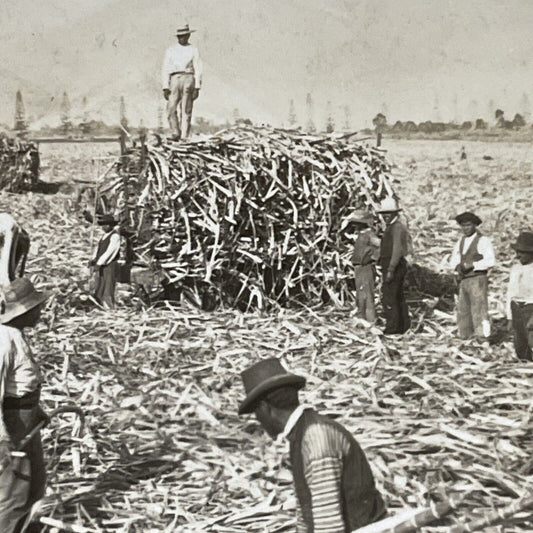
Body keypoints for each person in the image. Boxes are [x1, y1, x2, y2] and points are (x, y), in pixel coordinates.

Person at [238, 358, 386, 532]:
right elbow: (306, 511)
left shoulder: (316, 438)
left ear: (265, 408)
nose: (258, 421)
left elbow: (329, 524)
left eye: (256, 413)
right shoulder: (300, 436)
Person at [0, 278, 49, 532]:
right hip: (12, 425)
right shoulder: (4, 341)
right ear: (24, 310)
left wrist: (37, 412)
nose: (40, 312)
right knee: (14, 493)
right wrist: (3, 439)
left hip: (27, 420)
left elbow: (21, 384)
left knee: (35, 483)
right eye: (36, 308)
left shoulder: (17, 335)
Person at [450, 211, 495, 340]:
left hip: (477, 279)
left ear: (475, 225)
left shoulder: (483, 241)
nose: (465, 228)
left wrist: (473, 265)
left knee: (479, 309)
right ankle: (466, 337)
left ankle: (483, 338)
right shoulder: (461, 242)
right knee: (463, 310)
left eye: (468, 225)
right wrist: (456, 267)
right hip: (464, 279)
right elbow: (454, 259)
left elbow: (490, 261)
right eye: (463, 226)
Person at [161, 24, 202, 140]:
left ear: (188, 35)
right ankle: (175, 132)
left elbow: (198, 68)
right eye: (180, 36)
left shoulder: (193, 49)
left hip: (189, 77)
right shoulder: (171, 50)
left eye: (184, 36)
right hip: (174, 78)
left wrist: (197, 87)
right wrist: (165, 86)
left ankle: (184, 136)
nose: (182, 38)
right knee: (171, 108)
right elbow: (165, 68)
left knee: (186, 109)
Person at [377, 197, 411, 334]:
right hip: (393, 264)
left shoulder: (396, 227)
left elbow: (397, 249)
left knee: (389, 296)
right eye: (384, 214)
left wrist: (391, 268)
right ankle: (403, 326)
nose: (385, 216)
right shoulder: (393, 227)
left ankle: (393, 328)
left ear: (394, 214)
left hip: (394, 265)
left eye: (388, 214)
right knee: (397, 295)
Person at [342, 210, 380, 323]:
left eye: (356, 222)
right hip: (359, 268)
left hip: (366, 268)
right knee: (361, 293)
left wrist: (374, 257)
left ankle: (370, 320)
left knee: (367, 295)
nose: (354, 225)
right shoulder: (363, 234)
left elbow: (383, 246)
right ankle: (362, 318)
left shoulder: (369, 234)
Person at [506, 231, 533, 361]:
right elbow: (510, 293)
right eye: (518, 251)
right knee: (520, 342)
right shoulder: (516, 269)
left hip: (530, 307)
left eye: (523, 252)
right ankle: (525, 364)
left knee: (531, 339)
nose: (518, 255)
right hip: (516, 307)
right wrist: (510, 317)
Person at [89, 214, 121, 309]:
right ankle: (99, 305)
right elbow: (98, 249)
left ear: (111, 225)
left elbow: (110, 251)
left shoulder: (115, 236)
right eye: (103, 225)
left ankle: (109, 308)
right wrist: (94, 259)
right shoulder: (103, 236)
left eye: (106, 225)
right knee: (100, 285)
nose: (104, 227)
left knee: (108, 286)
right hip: (102, 264)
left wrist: (99, 263)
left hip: (109, 264)